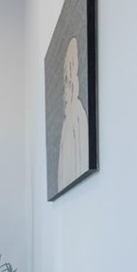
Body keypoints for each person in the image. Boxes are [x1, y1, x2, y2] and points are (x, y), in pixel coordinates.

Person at [57, 36, 89, 191]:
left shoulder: (78, 113)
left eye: (67, 82)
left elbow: (83, 156)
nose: (64, 92)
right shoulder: (66, 123)